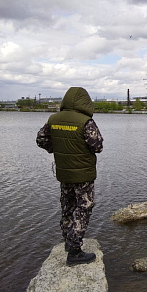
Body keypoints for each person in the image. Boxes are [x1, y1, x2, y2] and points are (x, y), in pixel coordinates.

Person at [36, 87, 103, 266]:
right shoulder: (85, 121)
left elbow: (41, 140)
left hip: (64, 172)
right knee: (85, 207)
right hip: (83, 174)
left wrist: (55, 149)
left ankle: (67, 239)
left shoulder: (54, 119)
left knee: (67, 205)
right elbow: (97, 146)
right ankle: (74, 251)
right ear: (85, 102)